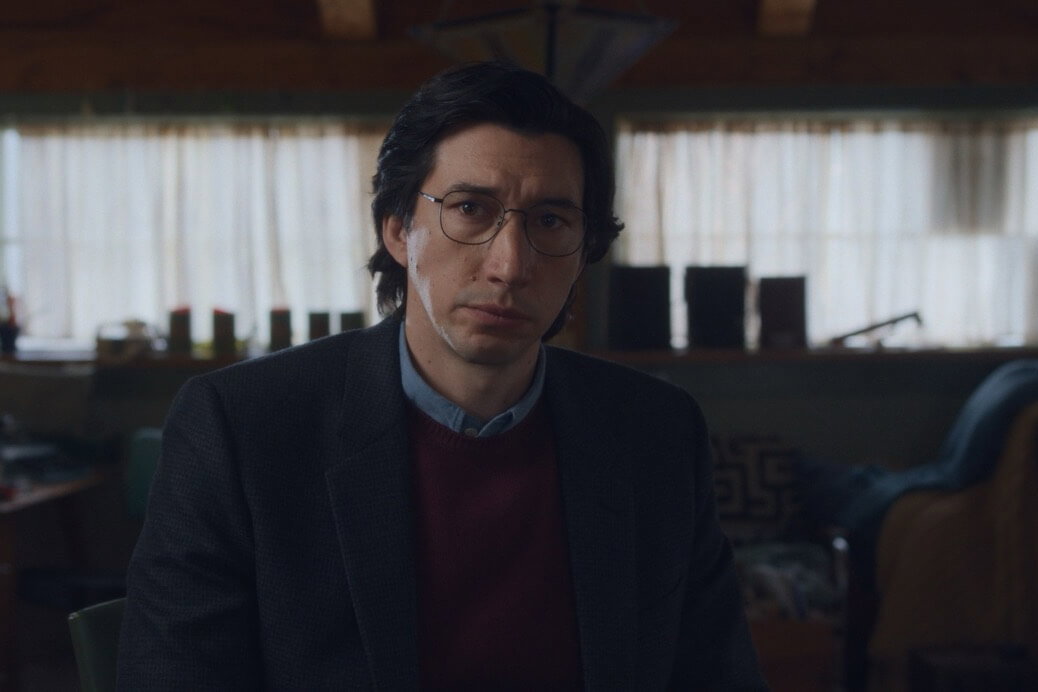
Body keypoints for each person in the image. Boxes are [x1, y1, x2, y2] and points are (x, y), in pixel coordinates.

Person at [118, 61, 767, 691]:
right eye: (470, 208)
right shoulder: (241, 426)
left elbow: (716, 673)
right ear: (399, 232)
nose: (510, 265)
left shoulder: (656, 430)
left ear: (583, 251)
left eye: (550, 221)